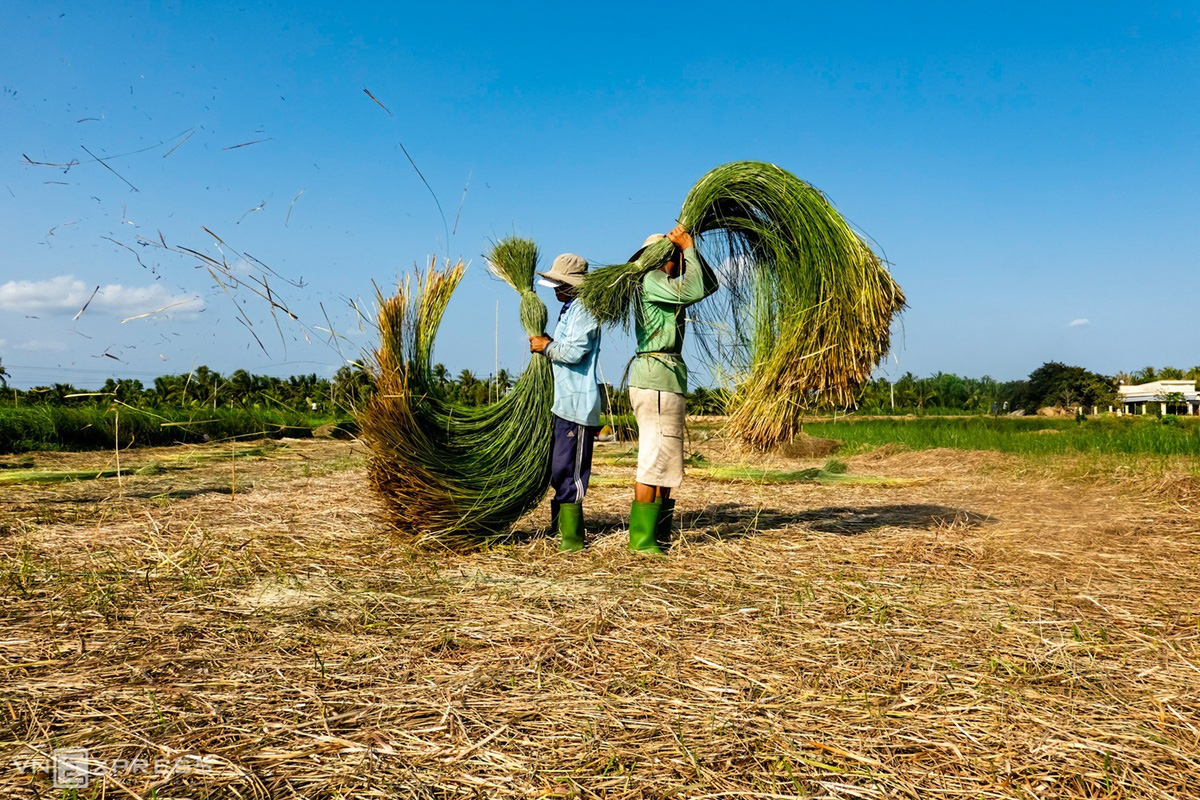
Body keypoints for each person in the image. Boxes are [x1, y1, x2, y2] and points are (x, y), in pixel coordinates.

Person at [627, 224, 719, 553]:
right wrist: (688, 247)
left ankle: (658, 534)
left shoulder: (661, 283)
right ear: (665, 259)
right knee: (653, 460)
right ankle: (641, 541)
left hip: (665, 378)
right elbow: (695, 289)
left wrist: (691, 249)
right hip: (656, 381)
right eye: (676, 258)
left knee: (666, 462)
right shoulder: (652, 280)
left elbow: (708, 284)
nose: (679, 264)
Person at [529, 253, 603, 552]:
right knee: (559, 467)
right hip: (564, 401)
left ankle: (572, 539)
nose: (556, 288)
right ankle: (560, 528)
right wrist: (548, 344)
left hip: (578, 404)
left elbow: (573, 353)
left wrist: (547, 347)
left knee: (570, 469)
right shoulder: (570, 309)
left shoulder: (585, 309)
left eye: (560, 283)